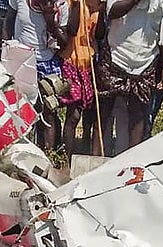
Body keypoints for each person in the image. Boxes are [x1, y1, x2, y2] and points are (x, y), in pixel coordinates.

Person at [96, 0, 163, 151]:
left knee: (138, 115)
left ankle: (131, 164)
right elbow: (111, 11)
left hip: (146, 59)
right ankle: (95, 159)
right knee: (104, 111)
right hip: (116, 54)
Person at [5, 0, 71, 150]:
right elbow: (9, 21)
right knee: (19, 110)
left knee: (47, 113)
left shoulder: (61, 5)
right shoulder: (20, 1)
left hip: (48, 62)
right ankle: (18, 152)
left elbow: (64, 42)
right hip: (21, 60)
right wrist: (7, 49)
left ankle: (47, 156)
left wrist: (50, 21)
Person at [59, 0, 99, 159]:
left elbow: (99, 34)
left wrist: (100, 9)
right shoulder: (72, 4)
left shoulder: (95, 7)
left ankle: (84, 150)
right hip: (71, 63)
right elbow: (72, 30)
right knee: (73, 115)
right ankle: (66, 158)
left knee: (88, 113)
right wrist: (77, 4)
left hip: (88, 66)